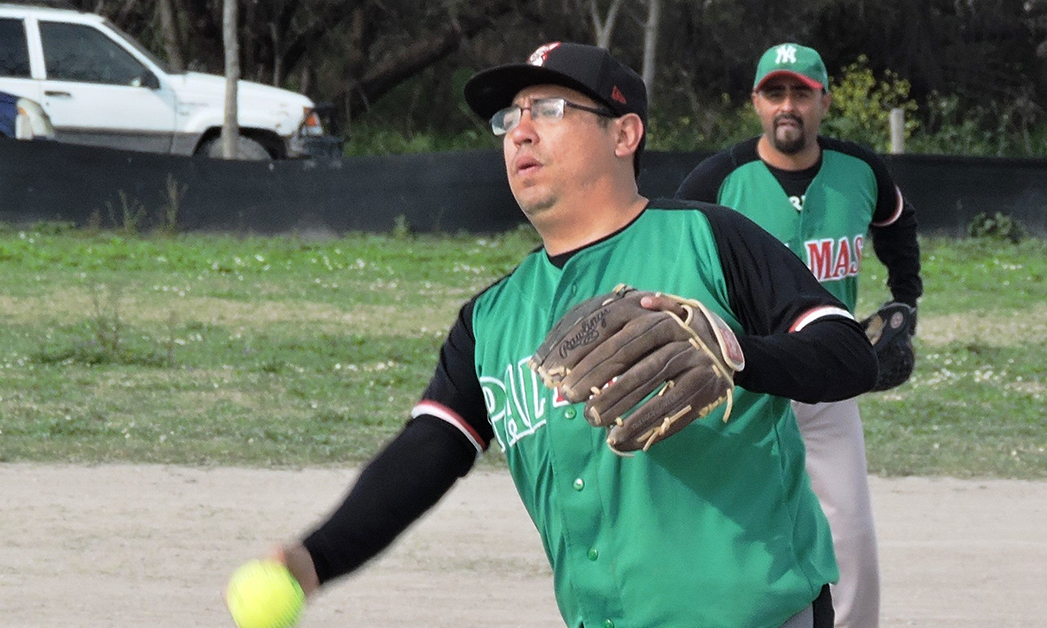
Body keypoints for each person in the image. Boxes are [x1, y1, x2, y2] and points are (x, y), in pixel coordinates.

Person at [250, 42, 878, 628]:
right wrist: (314, 560)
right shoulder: (490, 319)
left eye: (549, 109)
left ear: (624, 133)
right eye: (509, 117)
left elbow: (849, 355)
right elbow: (430, 452)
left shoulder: (709, 238)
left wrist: (740, 357)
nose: (519, 130)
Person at [675, 43, 924, 628]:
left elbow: (897, 221)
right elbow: (673, 254)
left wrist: (904, 298)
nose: (789, 106)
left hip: (828, 377)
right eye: (775, 92)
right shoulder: (718, 179)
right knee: (735, 528)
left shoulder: (859, 171)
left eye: (802, 93)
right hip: (744, 384)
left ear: (824, 101)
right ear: (756, 102)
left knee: (851, 531)